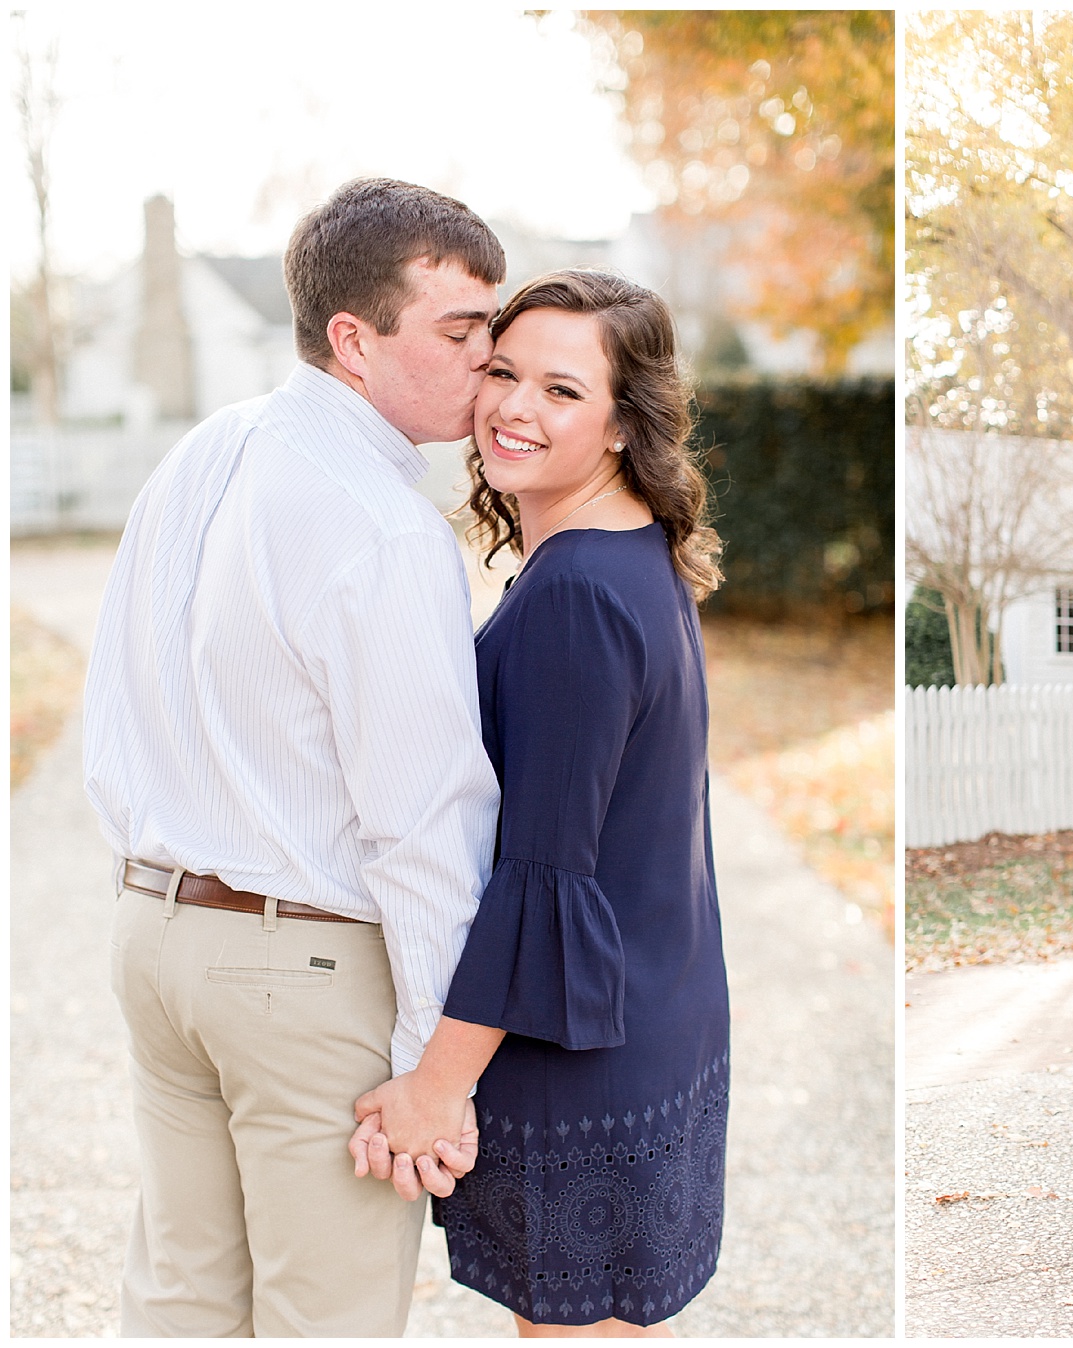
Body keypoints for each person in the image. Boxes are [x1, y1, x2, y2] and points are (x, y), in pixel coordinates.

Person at [84, 178, 505, 1335]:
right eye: (461, 333)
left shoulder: (205, 451)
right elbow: (425, 827)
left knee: (179, 1301)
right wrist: (434, 1075)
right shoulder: (381, 526)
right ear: (353, 340)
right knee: (330, 1321)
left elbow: (112, 703)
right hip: (296, 970)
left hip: (156, 938)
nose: (491, 361)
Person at [350, 269, 731, 1336]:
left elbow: (542, 879)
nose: (515, 407)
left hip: (587, 1056)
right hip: (656, 1016)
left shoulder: (574, 592)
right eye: (503, 373)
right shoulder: (626, 552)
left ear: (621, 424)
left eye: (563, 390)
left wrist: (434, 1085)